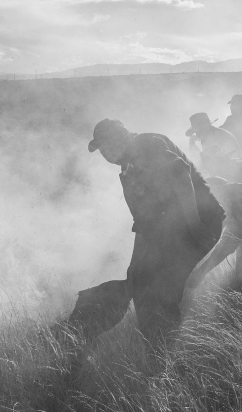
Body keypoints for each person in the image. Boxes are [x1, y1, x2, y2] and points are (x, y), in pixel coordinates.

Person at [84, 119, 224, 347]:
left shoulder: (148, 144)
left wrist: (196, 225)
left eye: (107, 147)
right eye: (101, 151)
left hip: (196, 223)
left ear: (119, 138)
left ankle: (168, 353)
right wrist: (134, 265)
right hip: (171, 230)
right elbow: (144, 220)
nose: (106, 155)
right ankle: (157, 346)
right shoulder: (128, 165)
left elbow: (181, 177)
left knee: (160, 289)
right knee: (140, 281)